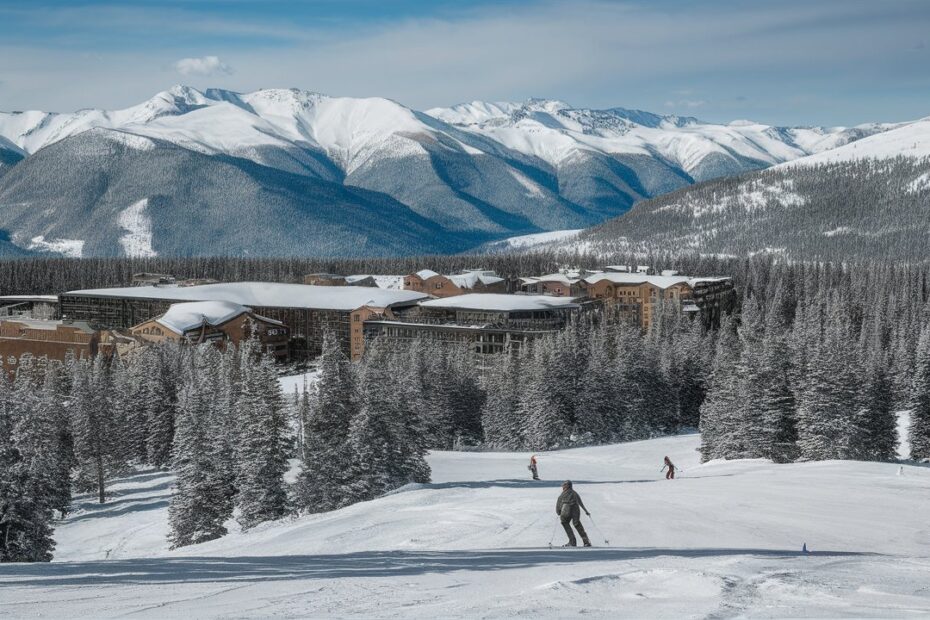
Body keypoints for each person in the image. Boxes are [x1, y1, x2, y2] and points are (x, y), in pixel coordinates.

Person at [556, 480, 591, 547]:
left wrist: (558, 511)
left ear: (567, 486)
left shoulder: (563, 494)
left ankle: (572, 541)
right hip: (575, 509)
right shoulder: (574, 493)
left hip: (566, 510)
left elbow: (559, 503)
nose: (563, 487)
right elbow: (580, 502)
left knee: (564, 522)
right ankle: (586, 541)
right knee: (577, 524)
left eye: (564, 485)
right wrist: (586, 511)